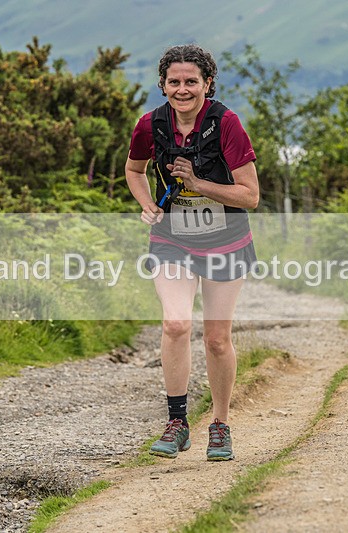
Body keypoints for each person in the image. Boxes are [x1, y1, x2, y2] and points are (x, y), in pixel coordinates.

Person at [125, 44, 259, 461]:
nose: (182, 89)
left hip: (227, 239)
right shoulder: (150, 124)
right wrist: (148, 203)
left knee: (217, 340)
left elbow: (251, 196)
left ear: (208, 84)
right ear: (162, 85)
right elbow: (134, 169)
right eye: (174, 82)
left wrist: (199, 184)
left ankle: (219, 425)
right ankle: (178, 423)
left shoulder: (227, 124)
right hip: (172, 238)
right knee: (176, 323)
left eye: (191, 82)